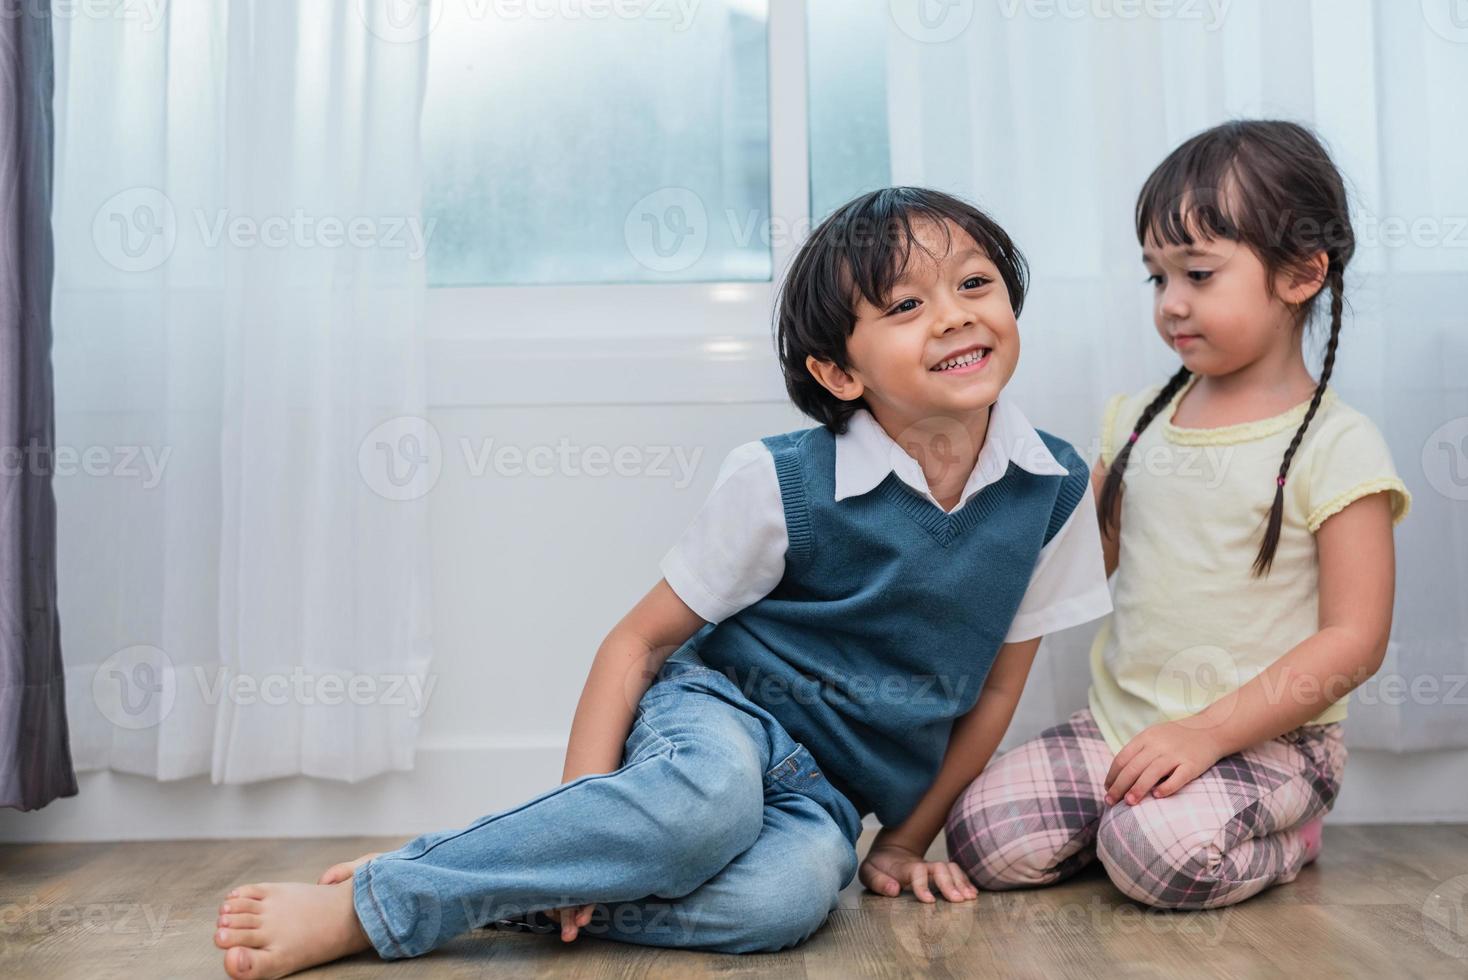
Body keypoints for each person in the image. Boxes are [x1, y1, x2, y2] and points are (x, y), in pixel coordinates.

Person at [212, 187, 1111, 979]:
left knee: (783, 905)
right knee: (704, 811)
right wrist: (580, 819)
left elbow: (995, 690)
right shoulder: (781, 481)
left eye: (975, 284)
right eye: (907, 304)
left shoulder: (1054, 489)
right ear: (840, 373)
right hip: (722, 714)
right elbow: (634, 644)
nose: (954, 315)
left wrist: (907, 839)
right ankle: (385, 903)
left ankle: (483, 880)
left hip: (829, 797)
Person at [946, 120, 1411, 910]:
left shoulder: (1339, 444)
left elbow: (1354, 642)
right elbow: (1076, 561)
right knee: (981, 838)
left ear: (1302, 274)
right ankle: (1141, 822)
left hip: (1271, 742)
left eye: (1197, 273)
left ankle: (1283, 837)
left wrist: (1204, 734)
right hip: (1122, 726)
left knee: (1154, 855)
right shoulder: (1135, 422)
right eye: (1156, 278)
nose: (1171, 304)